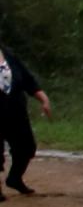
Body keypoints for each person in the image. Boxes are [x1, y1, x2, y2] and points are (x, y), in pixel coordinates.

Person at [0, 35, 46, 195]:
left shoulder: (8, 55)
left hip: (15, 111)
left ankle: (14, 178)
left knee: (26, 147)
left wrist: (43, 99)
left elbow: (27, 79)